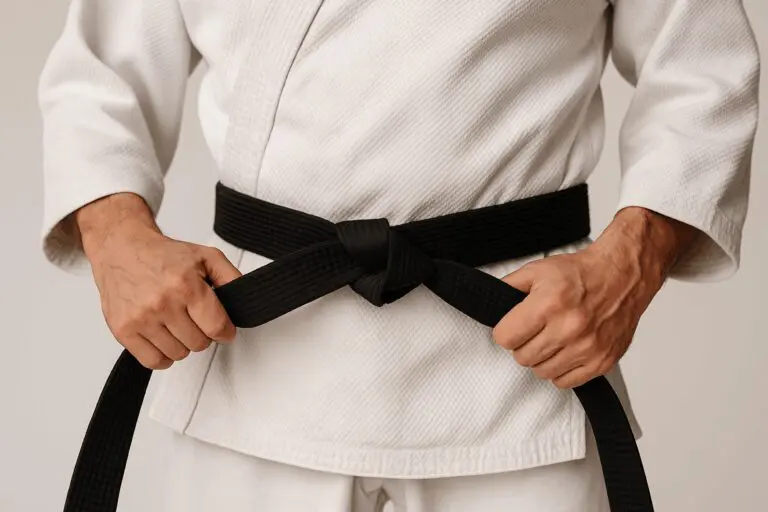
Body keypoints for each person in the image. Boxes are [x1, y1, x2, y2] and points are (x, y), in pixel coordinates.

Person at [38, 0, 759, 511]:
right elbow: (100, 76)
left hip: (518, 364)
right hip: (261, 358)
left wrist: (629, 262)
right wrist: (117, 235)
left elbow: (702, 70)